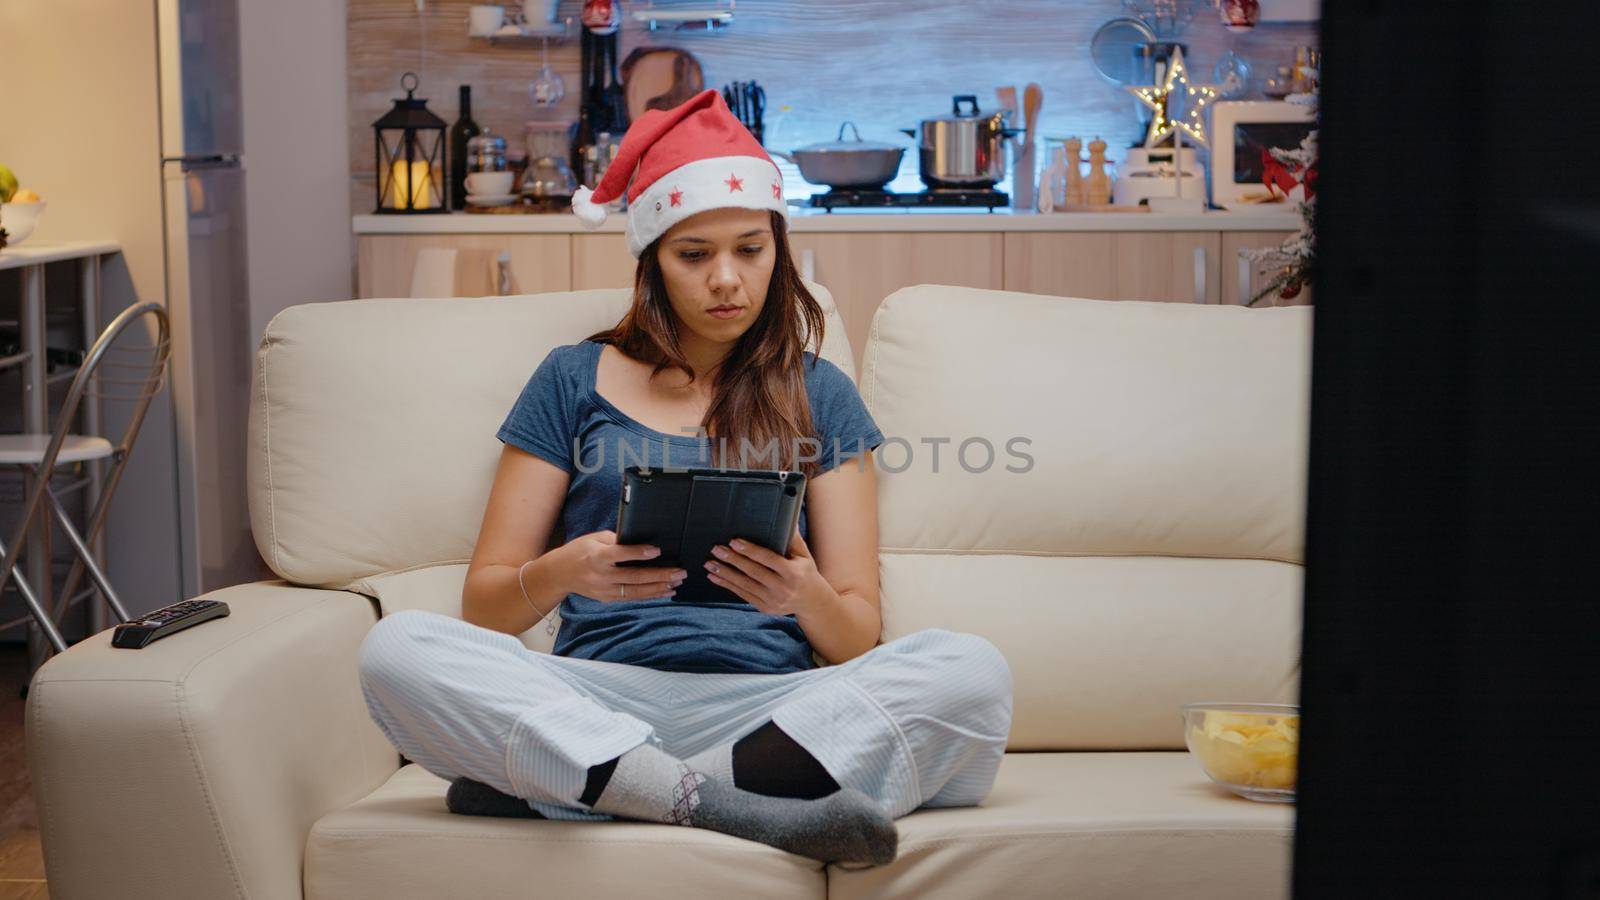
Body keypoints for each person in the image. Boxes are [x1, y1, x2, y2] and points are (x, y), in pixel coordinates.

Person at [357, 89, 1013, 868]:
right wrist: (568, 571)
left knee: (971, 671)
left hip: (773, 710)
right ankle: (734, 804)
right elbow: (484, 605)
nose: (727, 280)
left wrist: (803, 594)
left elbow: (856, 636)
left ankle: (596, 792)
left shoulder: (821, 392)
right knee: (397, 647)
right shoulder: (570, 379)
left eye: (750, 248)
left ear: (780, 247)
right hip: (594, 698)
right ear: (652, 260)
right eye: (694, 255)